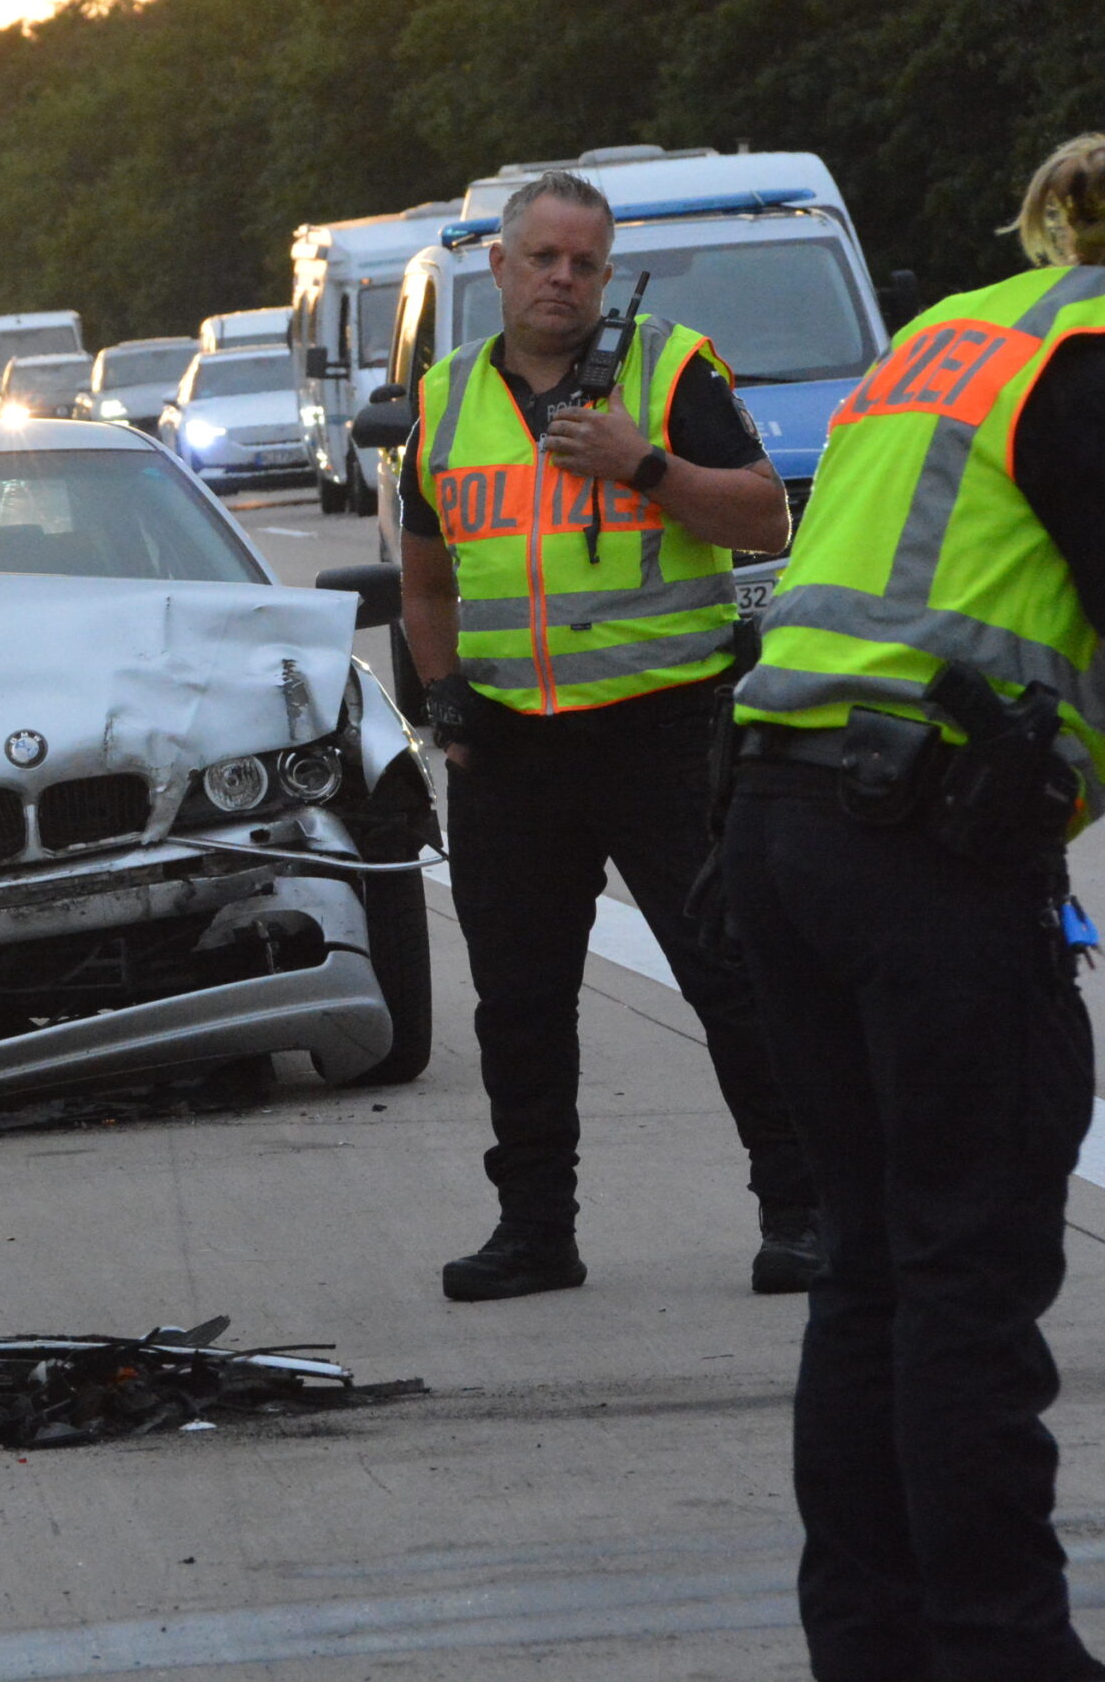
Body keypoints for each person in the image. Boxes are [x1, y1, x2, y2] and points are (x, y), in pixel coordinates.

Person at [721, 133, 1105, 1681]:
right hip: (921, 852)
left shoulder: (951, 338)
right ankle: (1004, 1649)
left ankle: (873, 1642)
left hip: (782, 821)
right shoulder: (1086, 365)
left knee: (874, 1264)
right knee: (967, 1269)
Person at [396, 170, 820, 1302]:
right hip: (511, 750)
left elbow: (763, 514)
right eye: (542, 258)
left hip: (664, 737)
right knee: (518, 1006)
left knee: (732, 979)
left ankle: (800, 1213)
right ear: (497, 263)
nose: (562, 280)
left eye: (584, 262)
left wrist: (641, 462)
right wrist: (444, 705)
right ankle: (535, 1231)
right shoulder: (442, 399)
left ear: (606, 269)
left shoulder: (671, 369)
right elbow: (424, 583)